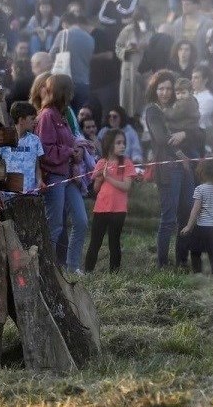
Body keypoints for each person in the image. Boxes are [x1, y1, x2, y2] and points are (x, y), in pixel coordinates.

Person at [36, 73, 88, 272]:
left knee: (81, 221)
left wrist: (76, 152)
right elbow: (45, 150)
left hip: (68, 175)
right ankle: (45, 268)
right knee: (55, 226)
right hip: (54, 176)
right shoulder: (47, 116)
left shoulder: (63, 114)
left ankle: (72, 267)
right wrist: (69, 152)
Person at [143, 70, 194, 268]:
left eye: (169, 89)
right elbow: (161, 139)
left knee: (186, 214)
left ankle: (182, 260)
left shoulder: (180, 108)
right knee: (168, 218)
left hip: (186, 168)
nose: (164, 92)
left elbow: (198, 131)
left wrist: (185, 133)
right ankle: (162, 263)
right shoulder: (153, 111)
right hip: (168, 168)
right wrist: (181, 154)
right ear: (155, 90)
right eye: (161, 88)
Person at [85, 127, 136, 272]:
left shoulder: (126, 163)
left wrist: (109, 177)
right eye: (118, 143)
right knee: (95, 241)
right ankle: (88, 271)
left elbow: (126, 186)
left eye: (123, 143)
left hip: (118, 210)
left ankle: (114, 273)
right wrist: (100, 177)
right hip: (101, 208)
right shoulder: (101, 163)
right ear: (109, 144)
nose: (122, 146)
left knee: (114, 242)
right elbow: (95, 189)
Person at [182, 159, 213, 275]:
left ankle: (197, 272)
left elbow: (195, 210)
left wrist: (188, 226)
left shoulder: (200, 189)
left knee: (195, 251)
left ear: (202, 172)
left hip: (203, 227)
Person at [49, 11, 96, 111]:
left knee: (65, 117)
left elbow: (52, 55)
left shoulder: (63, 34)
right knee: (80, 117)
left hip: (65, 82)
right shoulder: (90, 38)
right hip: (84, 82)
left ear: (64, 23)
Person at [0, 101, 45, 194]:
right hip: (8, 194)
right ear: (21, 120)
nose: (36, 121)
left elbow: (37, 167)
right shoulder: (3, 139)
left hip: (29, 195)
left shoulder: (35, 140)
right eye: (32, 118)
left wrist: (40, 180)